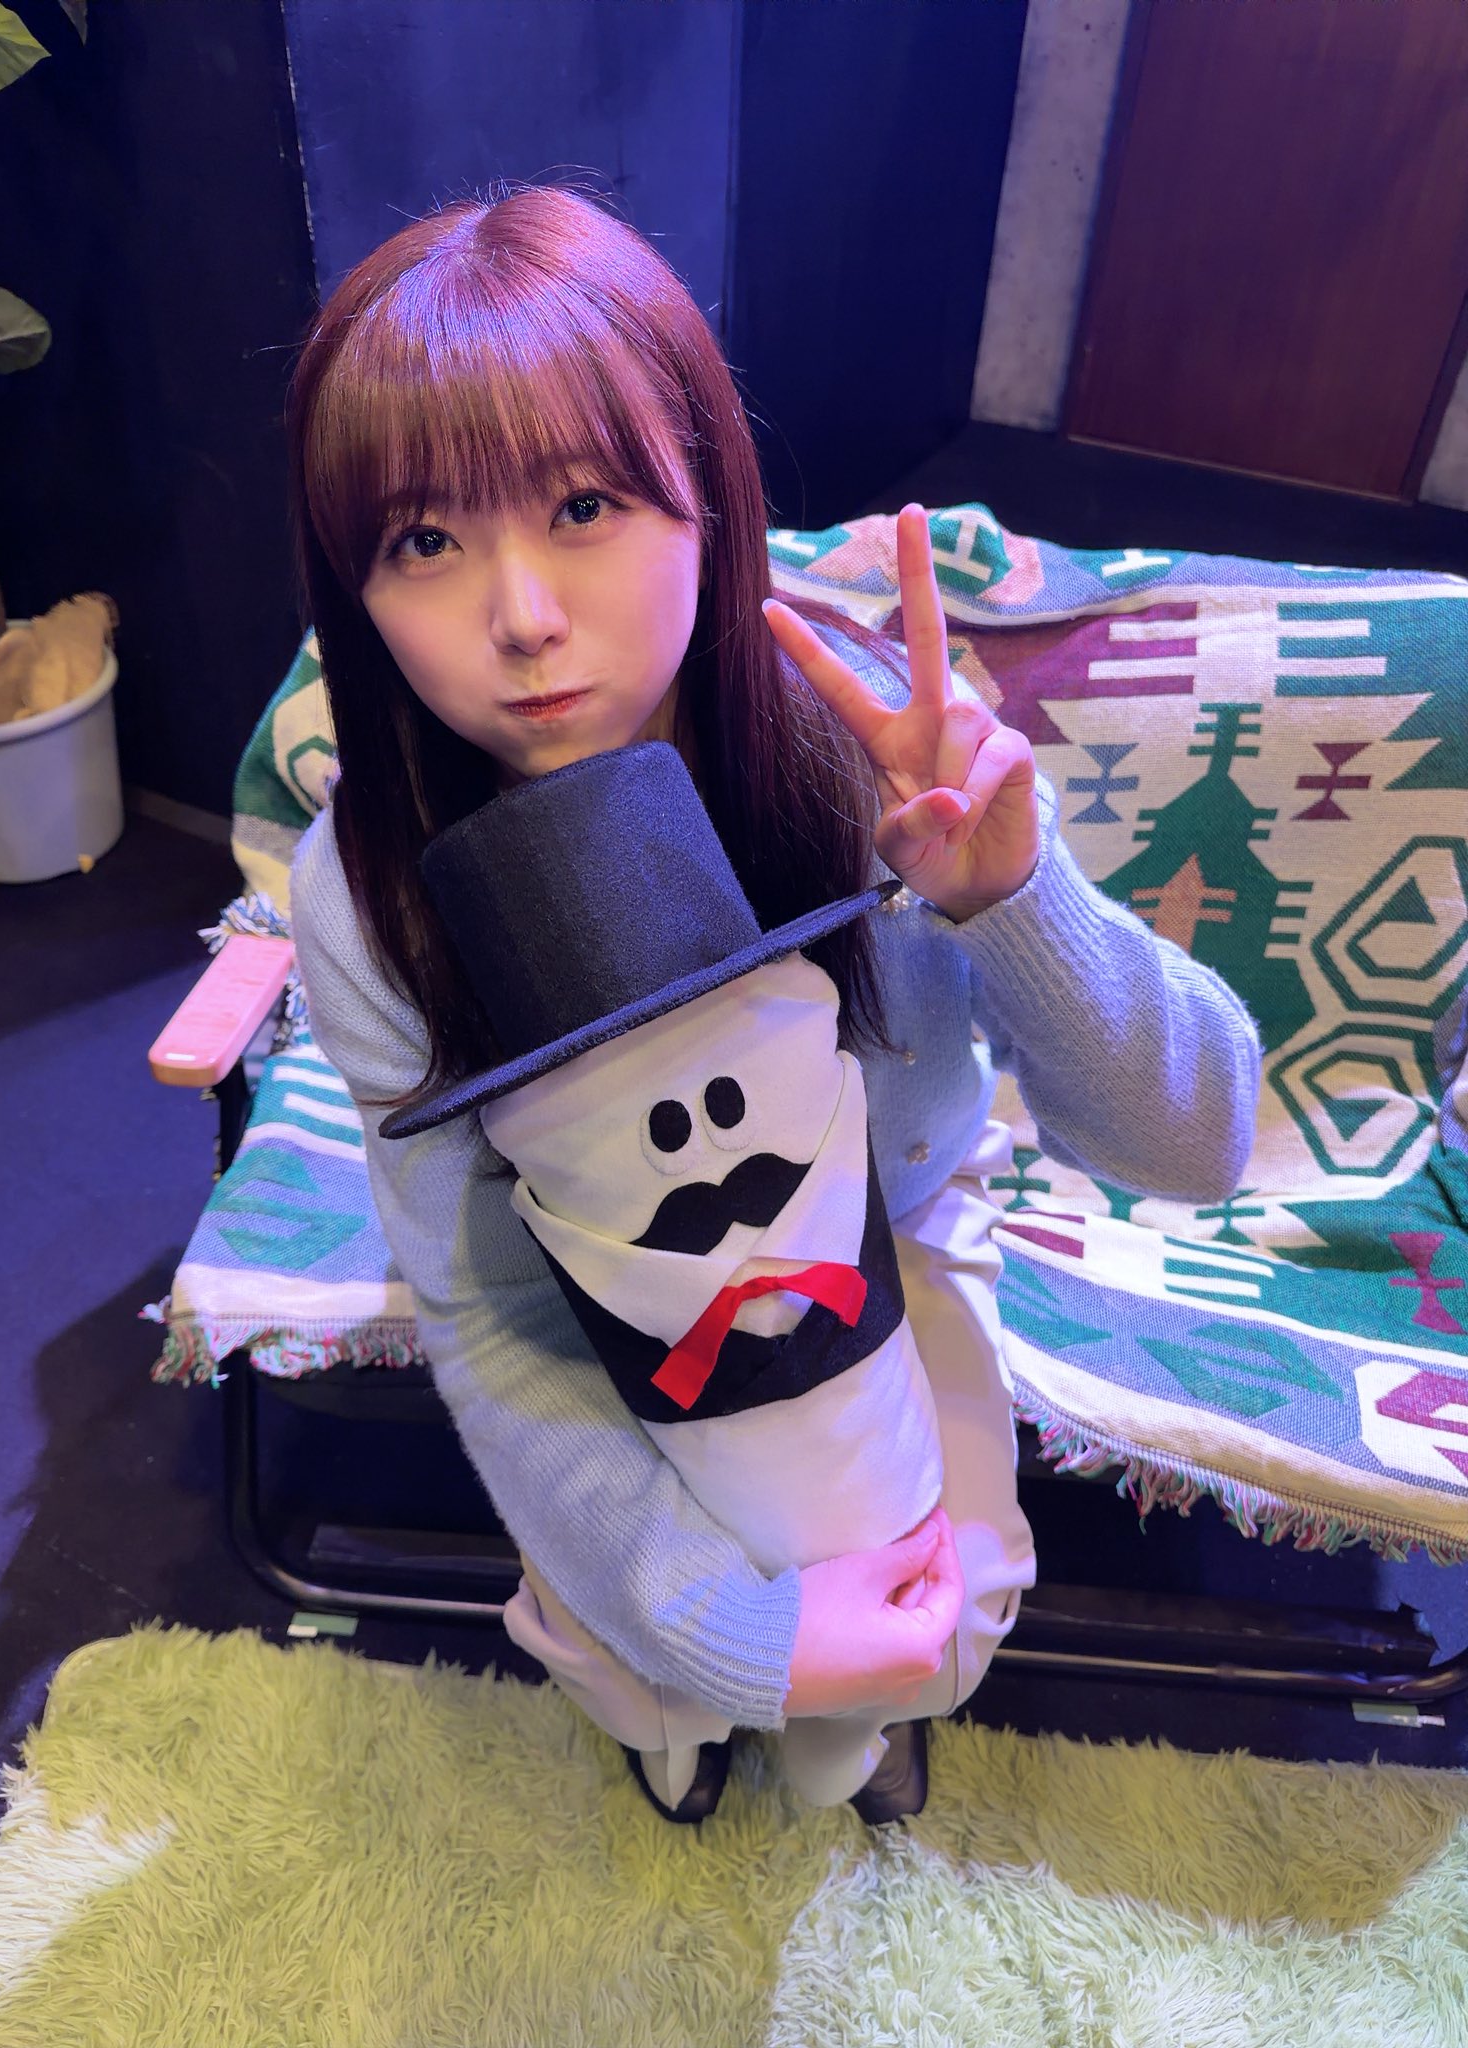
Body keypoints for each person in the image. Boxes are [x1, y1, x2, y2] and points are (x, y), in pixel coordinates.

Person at [286, 184, 1262, 1828]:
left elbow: (1198, 1146)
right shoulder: (368, 887)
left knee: (941, 1619)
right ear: (356, 590)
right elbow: (489, 1310)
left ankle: (863, 1713)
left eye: (584, 504)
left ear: (707, 499)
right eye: (425, 542)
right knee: (651, 1650)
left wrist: (1011, 897)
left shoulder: (870, 754)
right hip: (591, 1314)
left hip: (884, 1243)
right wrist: (722, 1635)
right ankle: (673, 1713)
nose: (523, 617)